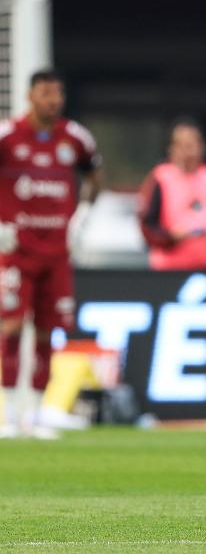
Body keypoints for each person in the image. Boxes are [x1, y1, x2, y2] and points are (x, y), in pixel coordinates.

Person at [0, 69, 101, 439]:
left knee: (47, 333)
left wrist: (83, 217)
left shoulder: (74, 138)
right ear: (31, 97)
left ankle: (40, 414)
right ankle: (8, 413)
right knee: (10, 327)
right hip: (16, 250)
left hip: (57, 251)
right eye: (46, 93)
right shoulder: (8, 135)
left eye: (57, 93)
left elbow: (93, 176)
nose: (53, 100)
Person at [138, 119, 206, 270]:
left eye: (192, 145)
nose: (188, 151)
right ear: (172, 148)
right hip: (169, 270)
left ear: (202, 147)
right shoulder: (160, 177)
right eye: (182, 145)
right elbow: (147, 225)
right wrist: (169, 237)